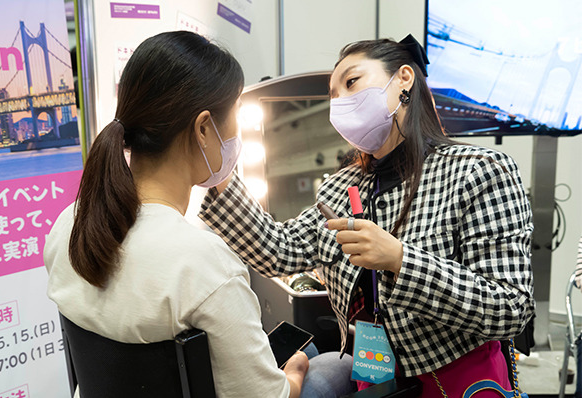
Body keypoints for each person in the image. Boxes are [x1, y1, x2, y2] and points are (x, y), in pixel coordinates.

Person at [199, 35, 535, 397]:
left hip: (455, 379)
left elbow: (510, 307)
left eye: (352, 82)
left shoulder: (480, 171)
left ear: (403, 78)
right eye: (333, 94)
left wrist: (401, 260)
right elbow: (278, 250)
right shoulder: (341, 187)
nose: (340, 100)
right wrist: (220, 173)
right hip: (372, 374)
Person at [44, 31, 329, 398]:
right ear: (204, 128)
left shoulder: (69, 223)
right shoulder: (203, 263)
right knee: (328, 364)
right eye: (237, 114)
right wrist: (295, 372)